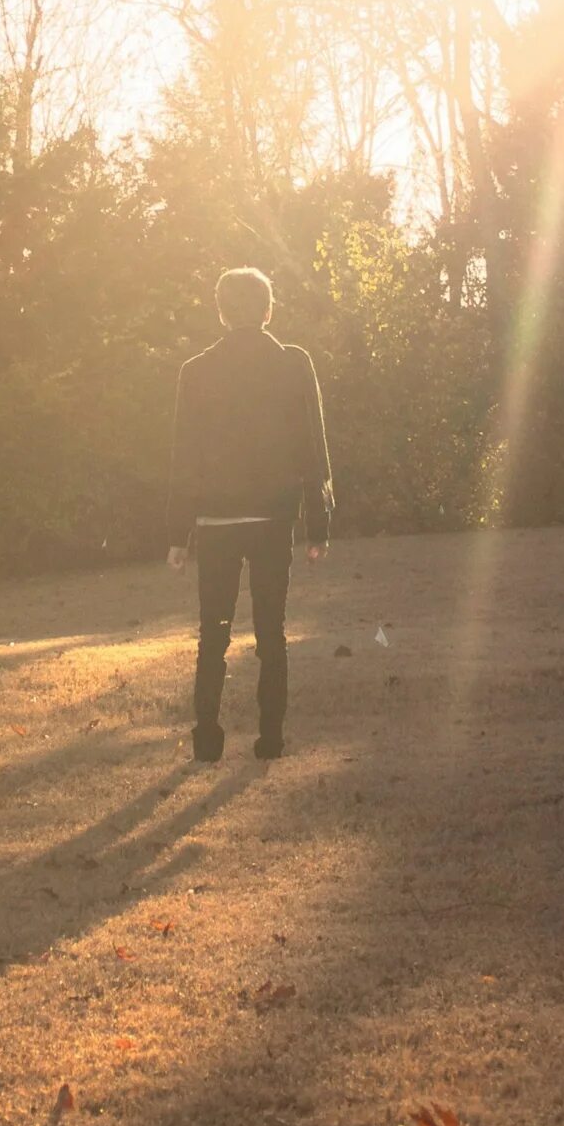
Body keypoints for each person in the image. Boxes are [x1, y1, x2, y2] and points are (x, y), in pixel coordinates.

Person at [166, 266, 334, 761]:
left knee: (212, 633)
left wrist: (179, 533)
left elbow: (185, 457)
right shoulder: (293, 363)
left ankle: (207, 740)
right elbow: (312, 446)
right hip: (271, 520)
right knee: (271, 634)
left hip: (215, 524)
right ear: (268, 309)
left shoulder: (194, 371)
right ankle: (271, 738)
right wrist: (317, 524)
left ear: (221, 311)